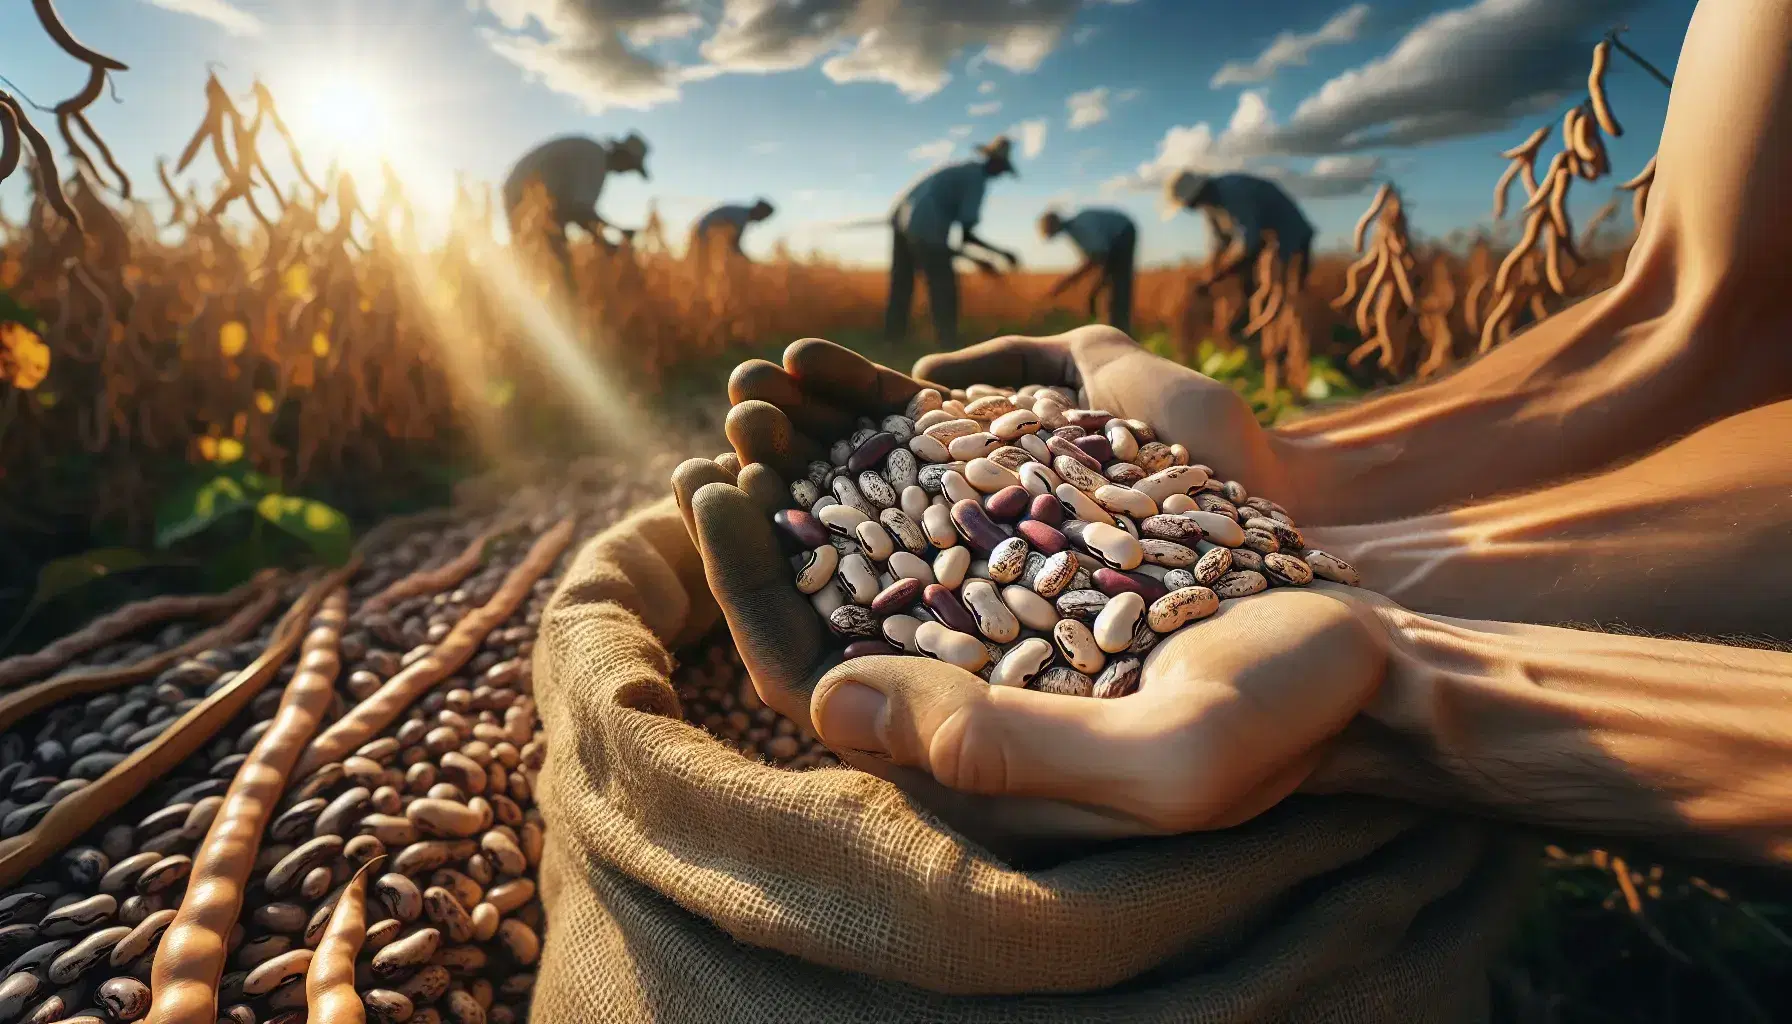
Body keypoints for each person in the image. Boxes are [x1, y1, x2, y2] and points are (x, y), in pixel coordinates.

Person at [673, 0, 1792, 858]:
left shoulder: (1161, 203)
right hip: (1209, 545)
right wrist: (1288, 489)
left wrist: (1408, 689)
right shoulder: (986, 190)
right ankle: (1352, 551)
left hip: (1193, 536)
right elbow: (1708, 313)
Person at [887, 136, 1022, 350]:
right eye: (1002, 168)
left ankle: (893, 339)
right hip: (925, 227)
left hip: (900, 220)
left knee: (902, 285)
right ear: (995, 163)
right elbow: (966, 236)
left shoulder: (959, 169)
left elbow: (955, 244)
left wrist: (978, 259)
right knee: (943, 287)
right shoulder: (977, 180)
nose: (1001, 174)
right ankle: (948, 344)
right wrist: (1001, 253)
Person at [1161, 169, 1314, 317]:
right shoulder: (1211, 205)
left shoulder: (1233, 192)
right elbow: (1218, 244)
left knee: (1287, 298)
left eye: (1188, 204)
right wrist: (1210, 274)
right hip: (1264, 244)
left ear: (1195, 195)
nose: (1189, 209)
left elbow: (1248, 241)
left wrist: (1220, 272)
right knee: (1250, 294)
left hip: (1289, 239)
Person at [502, 132, 650, 280]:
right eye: (631, 166)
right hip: (526, 195)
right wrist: (611, 238)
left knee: (543, 259)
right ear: (624, 157)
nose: (628, 172)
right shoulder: (594, 161)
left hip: (524, 192)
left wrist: (608, 238)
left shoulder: (593, 155)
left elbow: (574, 210)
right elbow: (578, 211)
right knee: (556, 265)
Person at [1039, 207, 1137, 335]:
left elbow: (1097, 257)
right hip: (1117, 236)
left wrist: (1064, 283)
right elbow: (1097, 259)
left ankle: (1119, 334)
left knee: (1118, 291)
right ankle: (1113, 330)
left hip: (1123, 233)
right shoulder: (1076, 228)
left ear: (1053, 225)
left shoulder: (1079, 227)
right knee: (1109, 291)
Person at [688, 198, 775, 267]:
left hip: (700, 233)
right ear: (759, 211)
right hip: (703, 235)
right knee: (704, 267)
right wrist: (748, 261)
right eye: (764, 216)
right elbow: (734, 244)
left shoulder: (740, 213)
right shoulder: (741, 217)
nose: (762, 220)